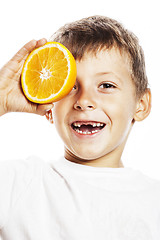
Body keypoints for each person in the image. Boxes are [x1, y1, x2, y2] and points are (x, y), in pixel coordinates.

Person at [0, 15, 159, 240]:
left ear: (141, 105)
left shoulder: (154, 201)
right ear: (49, 107)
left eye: (106, 85)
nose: (84, 100)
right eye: (71, 87)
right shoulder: (19, 184)